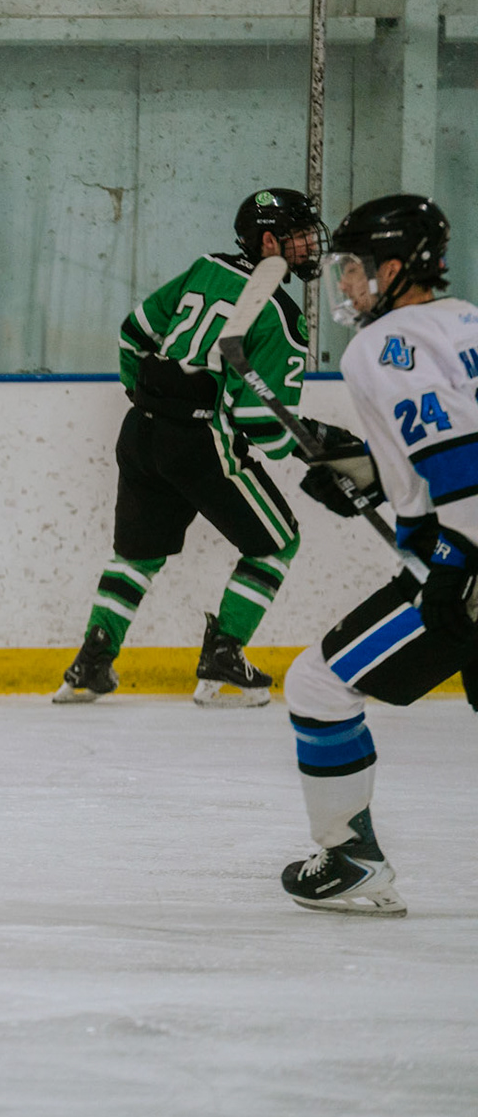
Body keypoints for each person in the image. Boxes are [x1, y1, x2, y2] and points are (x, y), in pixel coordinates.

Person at [55, 188, 327, 707]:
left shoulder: (205, 269)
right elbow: (263, 429)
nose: (309, 246)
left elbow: (134, 333)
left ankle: (92, 661)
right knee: (276, 543)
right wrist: (312, 440)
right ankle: (224, 653)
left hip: (141, 432)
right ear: (269, 241)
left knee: (136, 555)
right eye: (297, 236)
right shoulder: (281, 315)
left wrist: (150, 395)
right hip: (201, 442)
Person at [274, 194, 461, 916]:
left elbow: (464, 460)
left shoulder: (383, 345)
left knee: (318, 687)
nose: (346, 283)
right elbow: (442, 451)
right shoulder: (468, 322)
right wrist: (374, 475)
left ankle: (352, 861)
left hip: (462, 564)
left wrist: (457, 562)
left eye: (356, 268)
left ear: (397, 267)